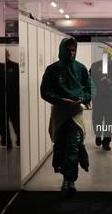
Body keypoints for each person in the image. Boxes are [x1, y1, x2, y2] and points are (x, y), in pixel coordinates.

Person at [40, 37, 92, 196]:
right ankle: (65, 176)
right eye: (68, 50)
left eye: (73, 50)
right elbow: (45, 92)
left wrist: (84, 98)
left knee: (73, 147)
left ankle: (71, 180)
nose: (71, 53)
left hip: (76, 115)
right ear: (62, 50)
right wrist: (61, 100)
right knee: (61, 146)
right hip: (59, 114)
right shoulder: (52, 69)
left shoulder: (81, 68)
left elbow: (90, 89)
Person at [89, 49, 112, 150]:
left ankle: (106, 141)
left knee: (109, 121)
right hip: (98, 99)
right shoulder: (95, 66)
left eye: (109, 54)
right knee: (97, 120)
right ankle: (98, 135)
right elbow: (89, 80)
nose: (108, 56)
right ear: (102, 55)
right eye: (105, 54)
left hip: (111, 99)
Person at [5, 49, 20, 146]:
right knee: (2, 123)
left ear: (8, 55)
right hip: (1, 100)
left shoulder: (15, 66)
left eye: (5, 54)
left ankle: (19, 139)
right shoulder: (0, 67)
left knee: (15, 121)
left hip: (14, 100)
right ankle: (7, 142)